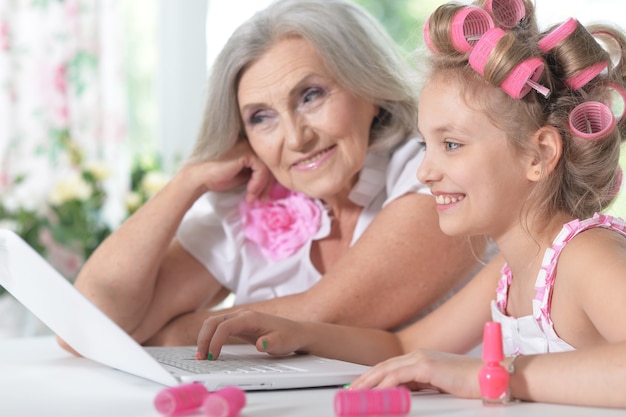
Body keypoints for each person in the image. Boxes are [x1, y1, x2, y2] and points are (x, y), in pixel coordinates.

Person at [193, 0, 626, 408]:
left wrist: (488, 375)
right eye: (426, 145)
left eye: (452, 144)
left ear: (539, 155)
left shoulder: (585, 256)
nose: (424, 173)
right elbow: (403, 347)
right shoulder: (512, 269)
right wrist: (299, 333)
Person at [60, 0, 486, 350]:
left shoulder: (432, 174)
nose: (296, 138)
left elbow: (320, 315)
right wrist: (187, 183)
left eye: (311, 95)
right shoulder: (251, 204)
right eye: (261, 118)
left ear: (368, 89)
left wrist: (171, 333)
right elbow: (82, 329)